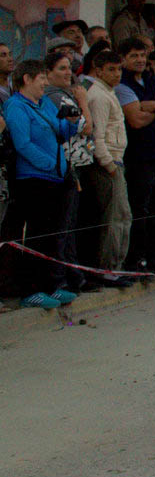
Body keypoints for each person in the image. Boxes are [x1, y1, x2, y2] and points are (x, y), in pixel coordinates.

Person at [3, 60, 81, 308]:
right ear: (27, 79)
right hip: (33, 180)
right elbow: (23, 144)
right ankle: (30, 290)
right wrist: (49, 164)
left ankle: (51, 285)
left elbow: (59, 131)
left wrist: (71, 123)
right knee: (35, 236)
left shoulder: (44, 102)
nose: (45, 84)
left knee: (51, 236)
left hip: (56, 178)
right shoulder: (16, 106)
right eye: (41, 79)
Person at [115, 37, 155, 273]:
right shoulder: (122, 85)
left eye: (142, 55)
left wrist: (153, 106)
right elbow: (136, 120)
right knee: (140, 211)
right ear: (123, 59)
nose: (140, 60)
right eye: (134, 56)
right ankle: (136, 260)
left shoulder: (151, 80)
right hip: (139, 159)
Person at [44, 51, 95, 291]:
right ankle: (64, 277)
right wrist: (83, 100)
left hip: (78, 166)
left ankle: (75, 274)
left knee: (73, 224)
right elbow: (85, 127)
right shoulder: (55, 97)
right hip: (67, 167)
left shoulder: (65, 95)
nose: (68, 73)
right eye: (62, 68)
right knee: (64, 226)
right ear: (47, 73)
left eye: (69, 68)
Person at [82, 49, 133, 283]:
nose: (116, 74)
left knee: (123, 215)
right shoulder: (99, 96)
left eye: (119, 69)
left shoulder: (109, 92)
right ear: (99, 70)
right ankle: (108, 268)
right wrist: (109, 164)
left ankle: (116, 266)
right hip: (108, 163)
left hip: (116, 159)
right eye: (111, 70)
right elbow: (96, 136)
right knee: (115, 217)